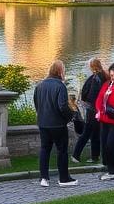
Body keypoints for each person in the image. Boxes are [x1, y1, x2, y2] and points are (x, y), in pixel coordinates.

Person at [33, 59, 79, 188]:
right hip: (57, 124)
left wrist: (41, 116)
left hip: (43, 123)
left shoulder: (40, 85)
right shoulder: (60, 86)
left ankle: (44, 178)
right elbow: (62, 106)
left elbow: (37, 103)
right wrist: (70, 116)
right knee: (62, 151)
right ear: (60, 71)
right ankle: (64, 178)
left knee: (44, 149)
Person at [72, 58, 106, 163]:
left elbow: (90, 95)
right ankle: (95, 156)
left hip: (92, 111)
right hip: (99, 110)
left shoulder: (95, 78)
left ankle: (75, 155)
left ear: (92, 67)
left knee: (86, 133)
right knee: (95, 134)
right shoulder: (104, 76)